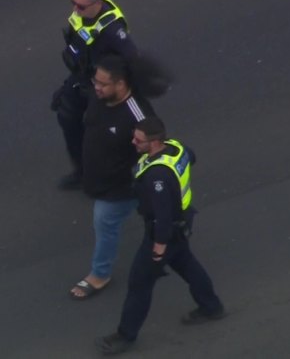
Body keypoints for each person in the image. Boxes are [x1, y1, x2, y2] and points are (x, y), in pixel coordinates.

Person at [95, 116, 225, 355]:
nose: (133, 142)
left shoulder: (158, 178)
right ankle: (211, 306)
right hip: (181, 222)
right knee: (187, 265)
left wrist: (159, 246)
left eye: (139, 140)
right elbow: (191, 157)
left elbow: (162, 215)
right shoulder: (176, 148)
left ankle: (125, 335)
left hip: (163, 232)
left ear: (155, 142)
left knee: (139, 283)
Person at [69, 55, 157, 300]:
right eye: (95, 81)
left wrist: (137, 184)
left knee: (105, 223)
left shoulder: (138, 115)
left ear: (120, 84)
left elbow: (153, 153)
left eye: (103, 83)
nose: (96, 87)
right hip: (98, 180)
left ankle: (100, 274)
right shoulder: (99, 97)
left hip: (120, 188)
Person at [52, 0, 138, 190]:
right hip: (81, 76)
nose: (75, 8)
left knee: (100, 132)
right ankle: (81, 172)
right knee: (67, 117)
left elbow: (131, 58)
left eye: (81, 5)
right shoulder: (84, 10)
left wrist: (116, 88)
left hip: (101, 85)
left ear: (97, 4)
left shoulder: (112, 29)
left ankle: (116, 176)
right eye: (73, 2)